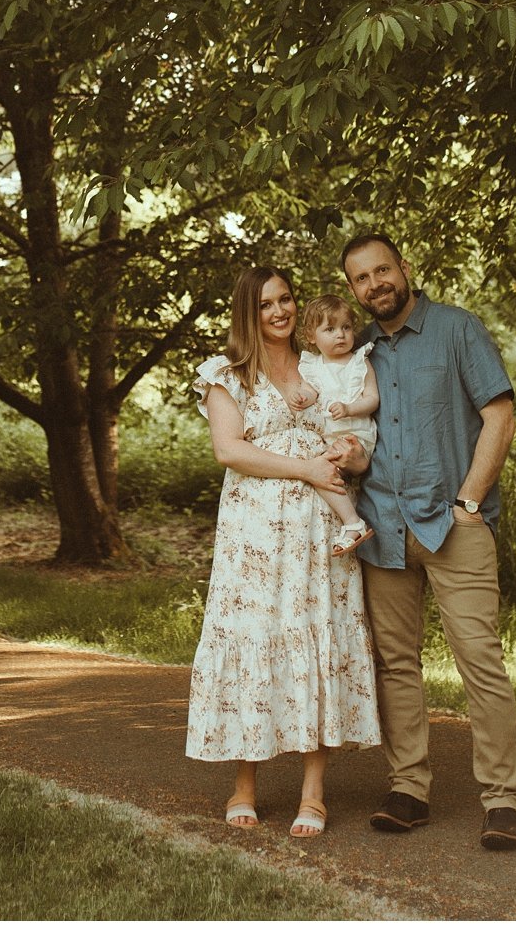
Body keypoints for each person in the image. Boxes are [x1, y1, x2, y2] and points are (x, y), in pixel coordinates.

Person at [334, 233, 516, 851]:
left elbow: (499, 415)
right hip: (383, 531)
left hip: (453, 526)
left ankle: (503, 801)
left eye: (382, 270)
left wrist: (471, 501)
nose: (375, 284)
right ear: (353, 290)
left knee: (481, 660)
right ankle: (408, 790)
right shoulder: (355, 350)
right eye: (361, 278)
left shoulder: (456, 329)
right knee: (395, 665)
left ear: (405, 268)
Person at [186, 265, 382, 839]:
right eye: (267, 303)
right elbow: (229, 450)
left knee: (318, 639)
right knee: (254, 640)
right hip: (256, 536)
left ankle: (313, 793)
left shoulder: (322, 365)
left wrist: (349, 457)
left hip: (321, 533)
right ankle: (243, 783)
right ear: (248, 311)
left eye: (287, 299)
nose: (280, 311)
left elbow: (356, 446)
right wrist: (302, 468)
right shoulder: (225, 374)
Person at [297, 294, 376, 555]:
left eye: (346, 327)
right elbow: (310, 391)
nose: (340, 335)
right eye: (329, 329)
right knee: (322, 473)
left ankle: (353, 523)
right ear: (311, 336)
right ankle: (351, 521)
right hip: (330, 438)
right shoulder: (312, 366)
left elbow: (372, 398)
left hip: (357, 436)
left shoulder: (359, 362)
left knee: (325, 470)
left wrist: (349, 408)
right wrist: (302, 397)